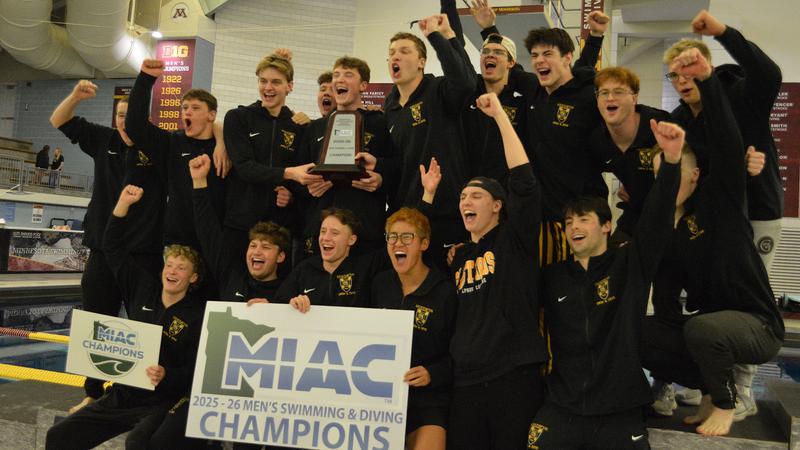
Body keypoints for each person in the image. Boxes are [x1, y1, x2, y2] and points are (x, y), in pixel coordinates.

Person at [641, 48, 784, 437]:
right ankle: (707, 389)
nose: (669, 183)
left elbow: (726, 145)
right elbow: (666, 302)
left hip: (757, 327)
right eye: (663, 176)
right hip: (711, 327)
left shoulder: (720, 206)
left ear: (696, 176)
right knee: (641, 330)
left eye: (677, 174)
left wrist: (707, 79)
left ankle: (726, 401)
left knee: (702, 329)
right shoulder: (665, 232)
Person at [528, 120, 683, 449]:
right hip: (563, 406)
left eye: (584, 220)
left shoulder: (629, 265)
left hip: (618, 409)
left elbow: (656, 220)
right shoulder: (553, 276)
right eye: (569, 222)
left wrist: (671, 163)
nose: (574, 227)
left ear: (607, 226)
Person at [45, 185, 205, 449]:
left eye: (181, 268)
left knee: (137, 443)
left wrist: (167, 375)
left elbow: (194, 370)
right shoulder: (142, 289)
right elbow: (112, 247)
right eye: (169, 265)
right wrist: (122, 205)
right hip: (123, 395)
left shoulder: (196, 314)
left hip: (160, 400)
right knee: (59, 435)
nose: (172, 271)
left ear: (193, 277)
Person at [424, 92, 541, 449]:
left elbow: (523, 179)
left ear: (498, 206)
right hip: (466, 381)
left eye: (476, 196)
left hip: (512, 375)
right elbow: (416, 247)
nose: (466, 202)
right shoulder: (459, 257)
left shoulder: (514, 240)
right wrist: (428, 196)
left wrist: (499, 116)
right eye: (462, 197)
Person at [50, 81, 164, 413]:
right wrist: (75, 96)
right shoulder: (104, 140)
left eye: (131, 115)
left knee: (144, 326)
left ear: (144, 119)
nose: (124, 121)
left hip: (143, 253)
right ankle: (93, 393)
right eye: (120, 115)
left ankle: (140, 396)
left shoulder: (158, 147)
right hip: (103, 250)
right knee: (96, 323)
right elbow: (58, 120)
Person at [383, 13, 476, 268]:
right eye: (391, 53)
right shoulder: (389, 107)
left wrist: (436, 36)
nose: (396, 57)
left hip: (446, 215)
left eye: (404, 51)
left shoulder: (438, 90)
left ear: (422, 62)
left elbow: (465, 83)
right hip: (407, 217)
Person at [370, 206, 456, 450]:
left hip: (427, 400)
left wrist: (432, 374)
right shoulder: (380, 284)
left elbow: (460, 353)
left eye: (407, 237)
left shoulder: (445, 292)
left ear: (424, 244)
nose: (398, 243)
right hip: (381, 398)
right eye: (392, 237)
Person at [223, 50, 320, 264]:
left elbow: (301, 175)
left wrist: (291, 194)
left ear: (290, 86)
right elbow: (245, 167)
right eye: (263, 81)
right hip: (241, 224)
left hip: (280, 228)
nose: (268, 88)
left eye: (276, 82)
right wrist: (287, 174)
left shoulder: (298, 126)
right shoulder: (238, 118)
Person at [296, 56, 397, 257]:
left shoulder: (380, 123)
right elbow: (297, 176)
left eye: (348, 75)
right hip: (320, 230)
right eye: (336, 75)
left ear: (363, 85)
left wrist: (381, 179)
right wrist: (308, 186)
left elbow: (398, 167)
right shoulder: (315, 128)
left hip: (365, 229)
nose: (339, 79)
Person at [125, 59, 229, 250]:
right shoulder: (172, 143)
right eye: (184, 108)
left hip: (217, 240)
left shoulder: (227, 147)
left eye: (195, 108)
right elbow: (134, 125)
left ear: (211, 115)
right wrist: (146, 79)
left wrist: (222, 141)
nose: (187, 112)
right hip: (178, 240)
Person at [190, 153, 290, 302]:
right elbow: (208, 232)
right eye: (253, 245)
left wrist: (272, 308)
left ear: (280, 256)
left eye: (266, 247)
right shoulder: (231, 276)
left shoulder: (288, 293)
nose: (257, 251)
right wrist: (199, 181)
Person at [589, 67, 672, 244]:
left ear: (634, 98)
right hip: (636, 215)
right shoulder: (598, 140)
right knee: (614, 257)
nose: (610, 98)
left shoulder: (661, 125)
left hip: (672, 215)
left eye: (618, 92)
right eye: (604, 93)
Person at [274, 207, 386, 310]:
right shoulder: (304, 268)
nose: (326, 238)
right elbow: (279, 304)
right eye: (323, 231)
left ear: (351, 240)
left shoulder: (365, 268)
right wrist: (293, 303)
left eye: (334, 233)